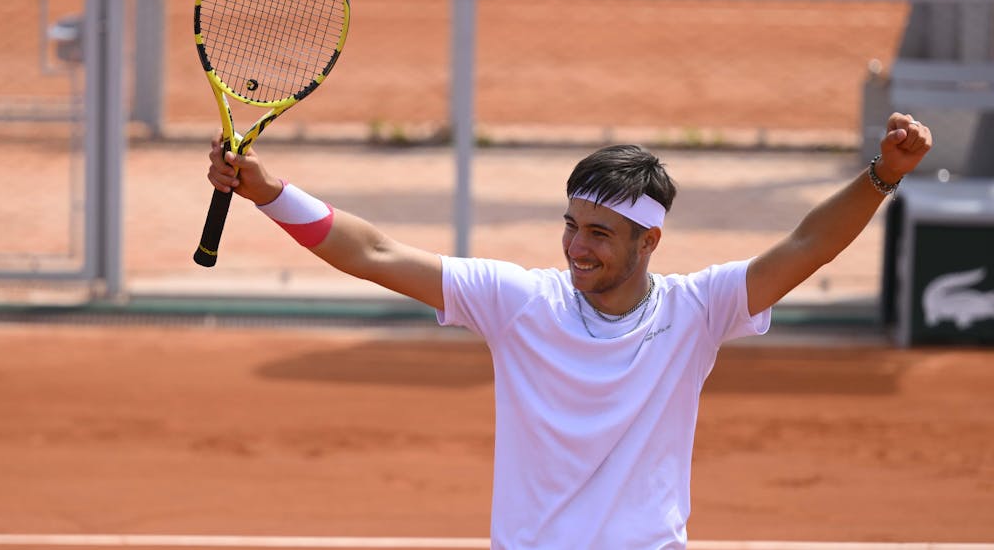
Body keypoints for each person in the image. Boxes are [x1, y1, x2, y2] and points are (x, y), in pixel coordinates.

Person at [205, 112, 932, 549]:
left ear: (649, 243)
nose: (577, 247)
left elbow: (809, 246)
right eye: (571, 226)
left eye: (600, 234)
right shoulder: (519, 301)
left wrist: (881, 175)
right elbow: (375, 253)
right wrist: (270, 192)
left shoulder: (698, 310)